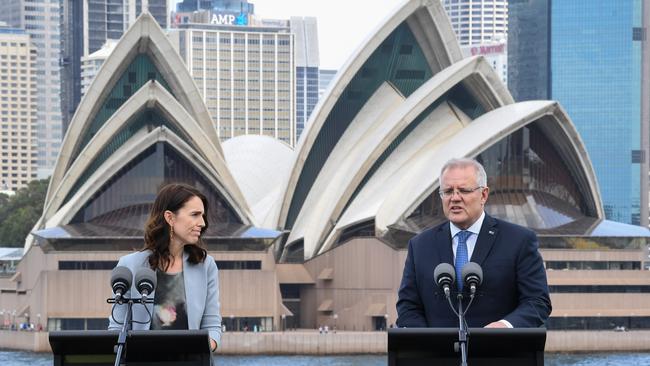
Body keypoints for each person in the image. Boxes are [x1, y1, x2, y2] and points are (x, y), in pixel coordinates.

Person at [396, 158, 551, 328]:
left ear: (483, 194)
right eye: (447, 191)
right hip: (438, 353)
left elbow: (538, 302)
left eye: (464, 190)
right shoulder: (420, 246)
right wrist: (428, 341)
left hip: (499, 351)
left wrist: (505, 326)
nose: (455, 198)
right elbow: (408, 306)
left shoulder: (518, 240)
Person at [109, 183, 222, 355]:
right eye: (195, 215)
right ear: (170, 218)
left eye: (203, 216)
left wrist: (202, 348)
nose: (202, 223)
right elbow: (116, 328)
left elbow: (212, 326)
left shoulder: (206, 265)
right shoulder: (129, 266)